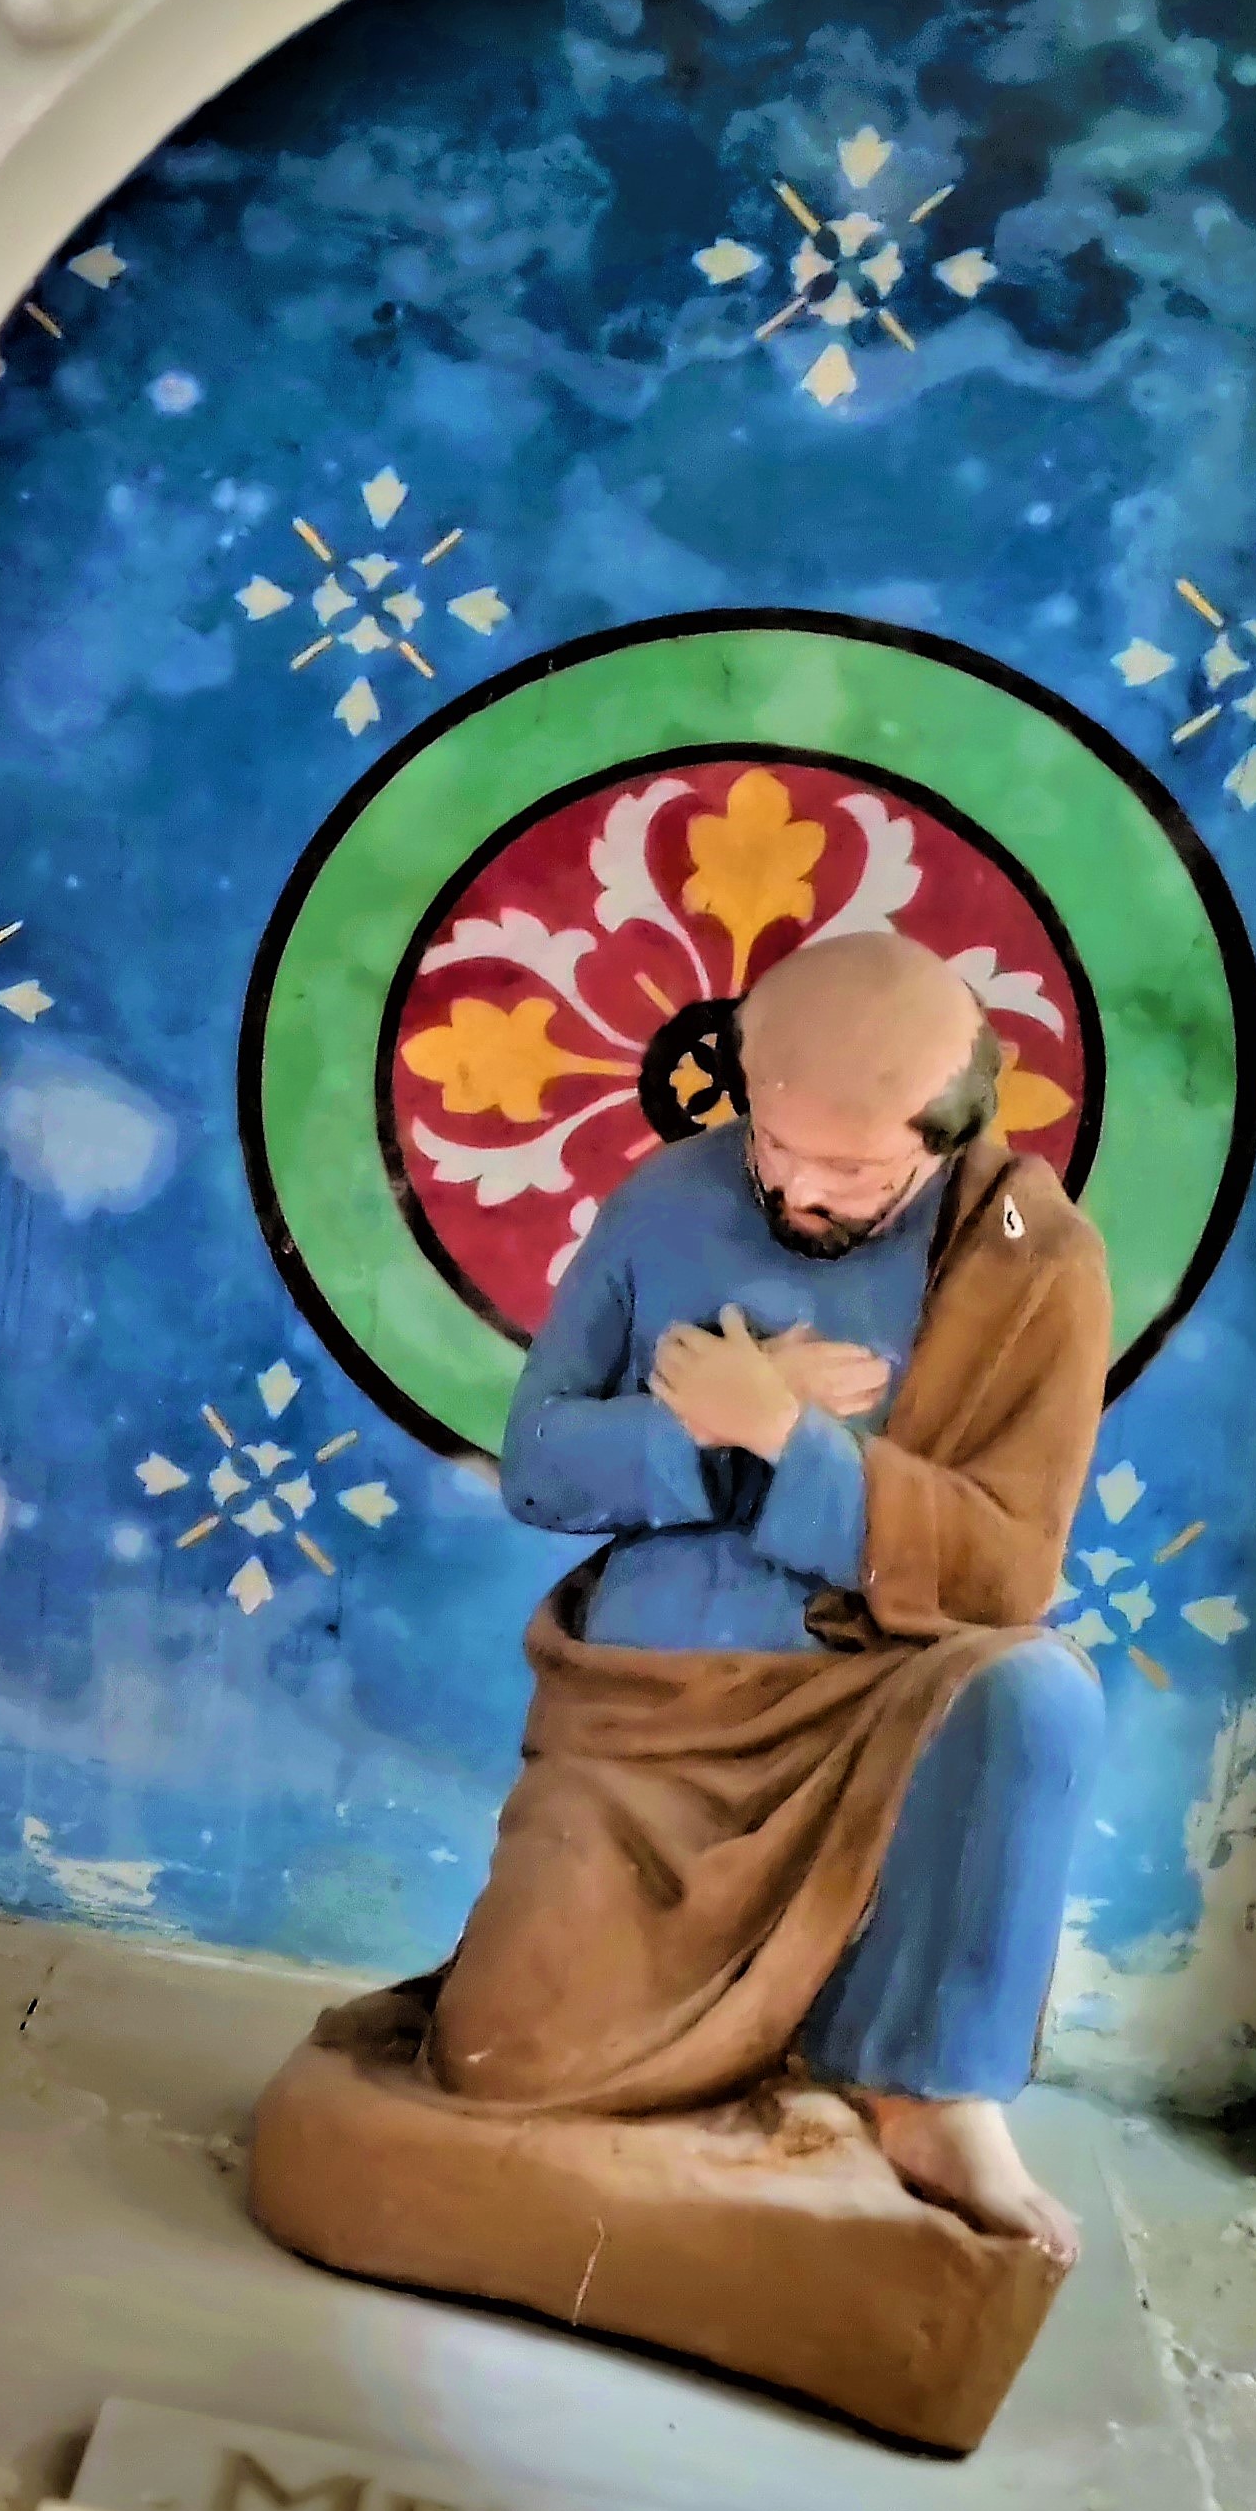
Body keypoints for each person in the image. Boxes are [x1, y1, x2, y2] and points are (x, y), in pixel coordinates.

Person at [429, 927, 1112, 2263]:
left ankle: (928, 2093)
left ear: (947, 1135)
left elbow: (1005, 1569)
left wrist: (787, 1441)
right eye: (776, 1145)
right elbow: (541, 1466)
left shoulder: (1025, 1253)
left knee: (1035, 1697)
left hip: (868, 1685)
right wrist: (699, 1431)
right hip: (648, 1713)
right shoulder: (665, 1200)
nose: (796, 1188)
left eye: (850, 1171)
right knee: (506, 2057)